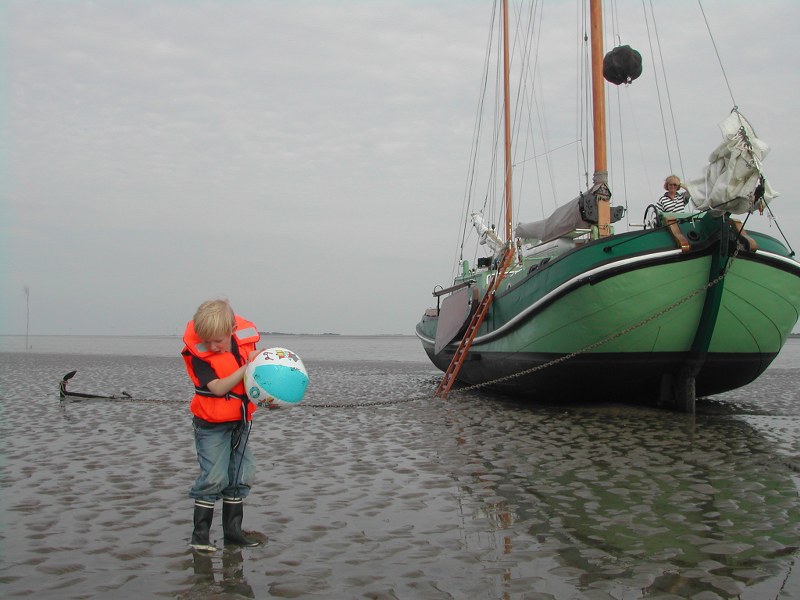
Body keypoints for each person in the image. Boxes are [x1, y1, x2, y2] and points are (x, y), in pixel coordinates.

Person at [181, 298, 263, 552]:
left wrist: (260, 365)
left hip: (240, 422)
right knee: (214, 478)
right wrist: (246, 368)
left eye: (218, 341)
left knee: (242, 475)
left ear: (231, 331)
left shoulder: (243, 345)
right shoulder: (200, 356)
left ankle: (233, 532)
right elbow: (217, 388)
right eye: (208, 342)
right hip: (210, 426)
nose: (213, 347)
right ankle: (200, 537)